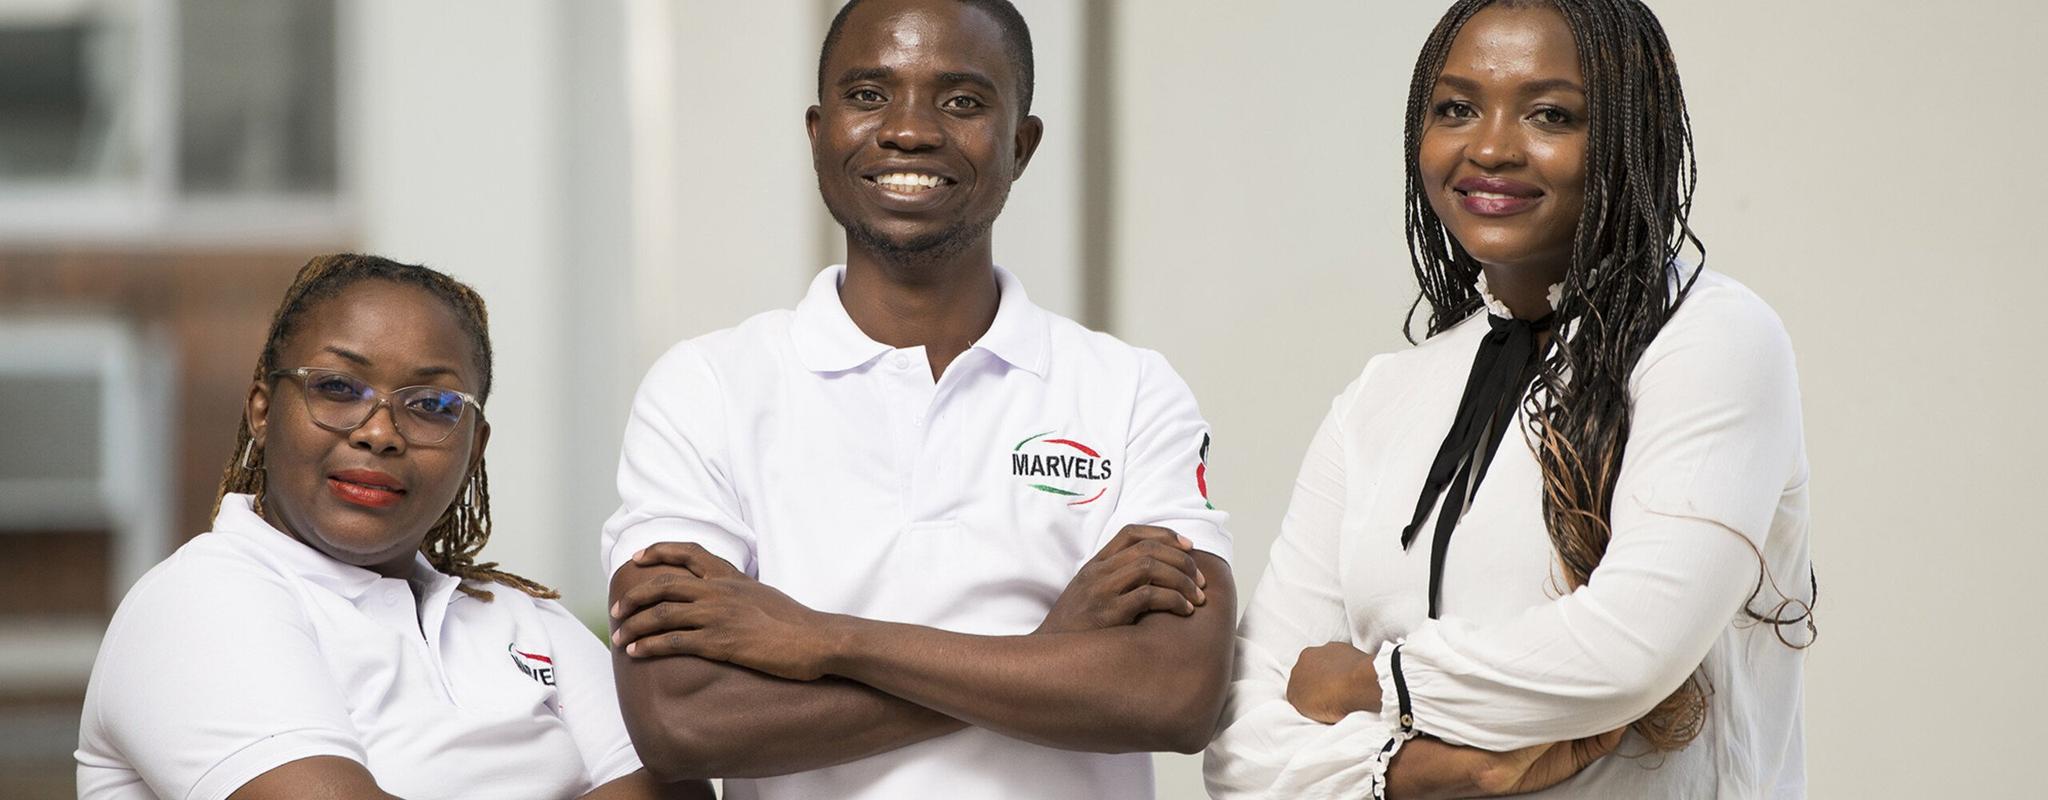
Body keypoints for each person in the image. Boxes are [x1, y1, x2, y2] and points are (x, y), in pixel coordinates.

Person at [599, 0, 1235, 797]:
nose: (910, 130)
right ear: (817, 131)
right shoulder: (707, 389)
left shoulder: (1131, 390)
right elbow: (682, 722)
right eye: (867, 95)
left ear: (1022, 144)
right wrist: (1048, 647)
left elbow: (1173, 696)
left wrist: (824, 641)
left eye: (963, 101)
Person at [1204, 1, 1815, 797]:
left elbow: (1626, 654)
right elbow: (1241, 750)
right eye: (1457, 108)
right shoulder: (1378, 400)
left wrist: (1371, 684)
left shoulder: (1712, 341)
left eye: (1550, 114)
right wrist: (1409, 777)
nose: (1489, 147)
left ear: (1633, 138)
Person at [76, 254, 711, 800]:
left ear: (473, 447)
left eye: (432, 405)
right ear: (263, 410)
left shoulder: (524, 619)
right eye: (336, 387)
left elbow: (679, 787)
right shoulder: (200, 600)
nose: (379, 432)